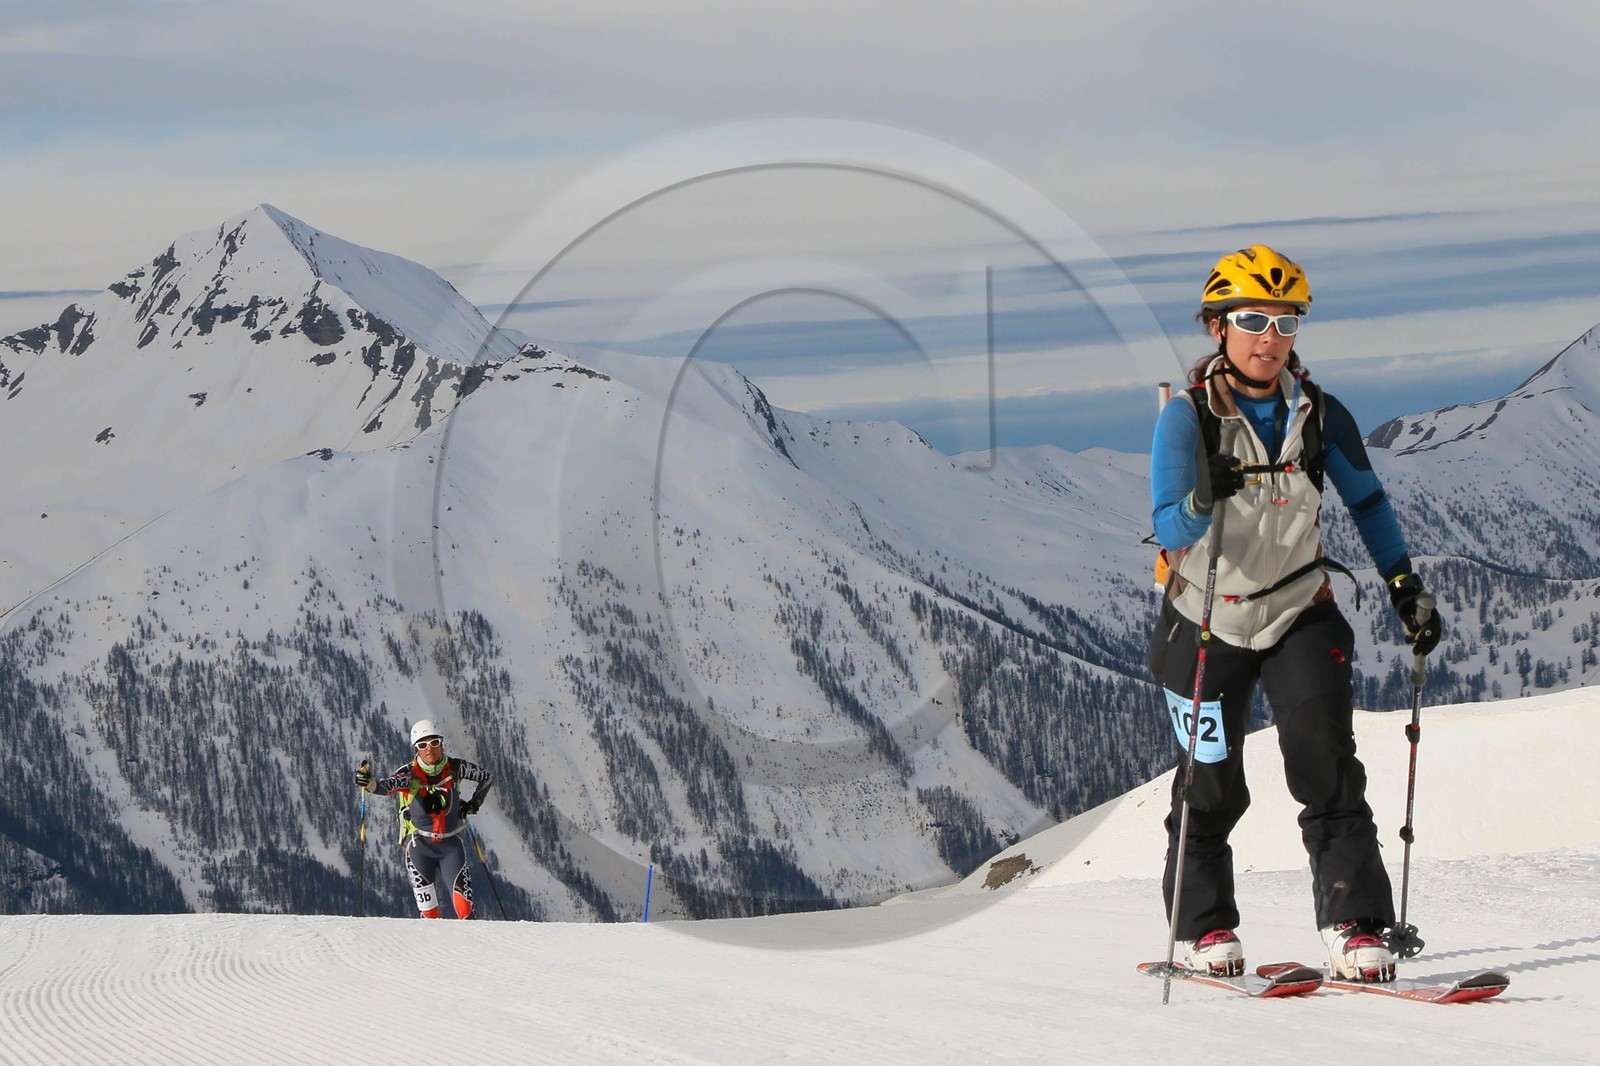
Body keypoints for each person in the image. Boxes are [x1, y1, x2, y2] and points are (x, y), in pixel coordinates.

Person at [1146, 245, 1442, 983]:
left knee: (1326, 763)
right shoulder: (1186, 420)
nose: (1269, 336)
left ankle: (1356, 923)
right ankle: (1203, 927)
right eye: (1252, 319)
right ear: (1218, 326)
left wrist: (1403, 583)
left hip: (1299, 610)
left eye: (1285, 320)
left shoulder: (1321, 416)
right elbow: (1170, 527)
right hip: (1206, 616)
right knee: (1208, 782)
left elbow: (1367, 502)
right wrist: (1203, 496)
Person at [355, 720, 494, 919]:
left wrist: (473, 804)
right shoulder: (408, 774)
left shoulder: (456, 767)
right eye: (422, 745)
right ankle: (431, 951)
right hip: (419, 847)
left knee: (466, 913)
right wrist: (367, 783)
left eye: (434, 742)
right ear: (416, 750)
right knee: (429, 916)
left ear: (441, 744)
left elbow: (486, 777)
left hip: (451, 846)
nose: (429, 749)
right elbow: (384, 787)